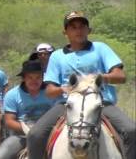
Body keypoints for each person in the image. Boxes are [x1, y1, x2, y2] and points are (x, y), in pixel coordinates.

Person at [27, 11, 136, 159]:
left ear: (88, 30)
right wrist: (64, 88)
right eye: (73, 27)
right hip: (67, 104)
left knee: (131, 130)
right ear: (65, 32)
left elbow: (120, 76)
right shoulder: (57, 56)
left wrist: (100, 77)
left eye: (82, 26)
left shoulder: (100, 48)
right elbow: (49, 90)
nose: (78, 30)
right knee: (35, 134)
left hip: (100, 103)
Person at [0, 60, 55, 159]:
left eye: (38, 77)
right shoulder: (12, 95)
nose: (34, 81)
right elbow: (9, 121)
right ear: (23, 78)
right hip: (22, 136)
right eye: (30, 77)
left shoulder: (52, 93)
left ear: (43, 78)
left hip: (51, 134)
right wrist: (30, 130)